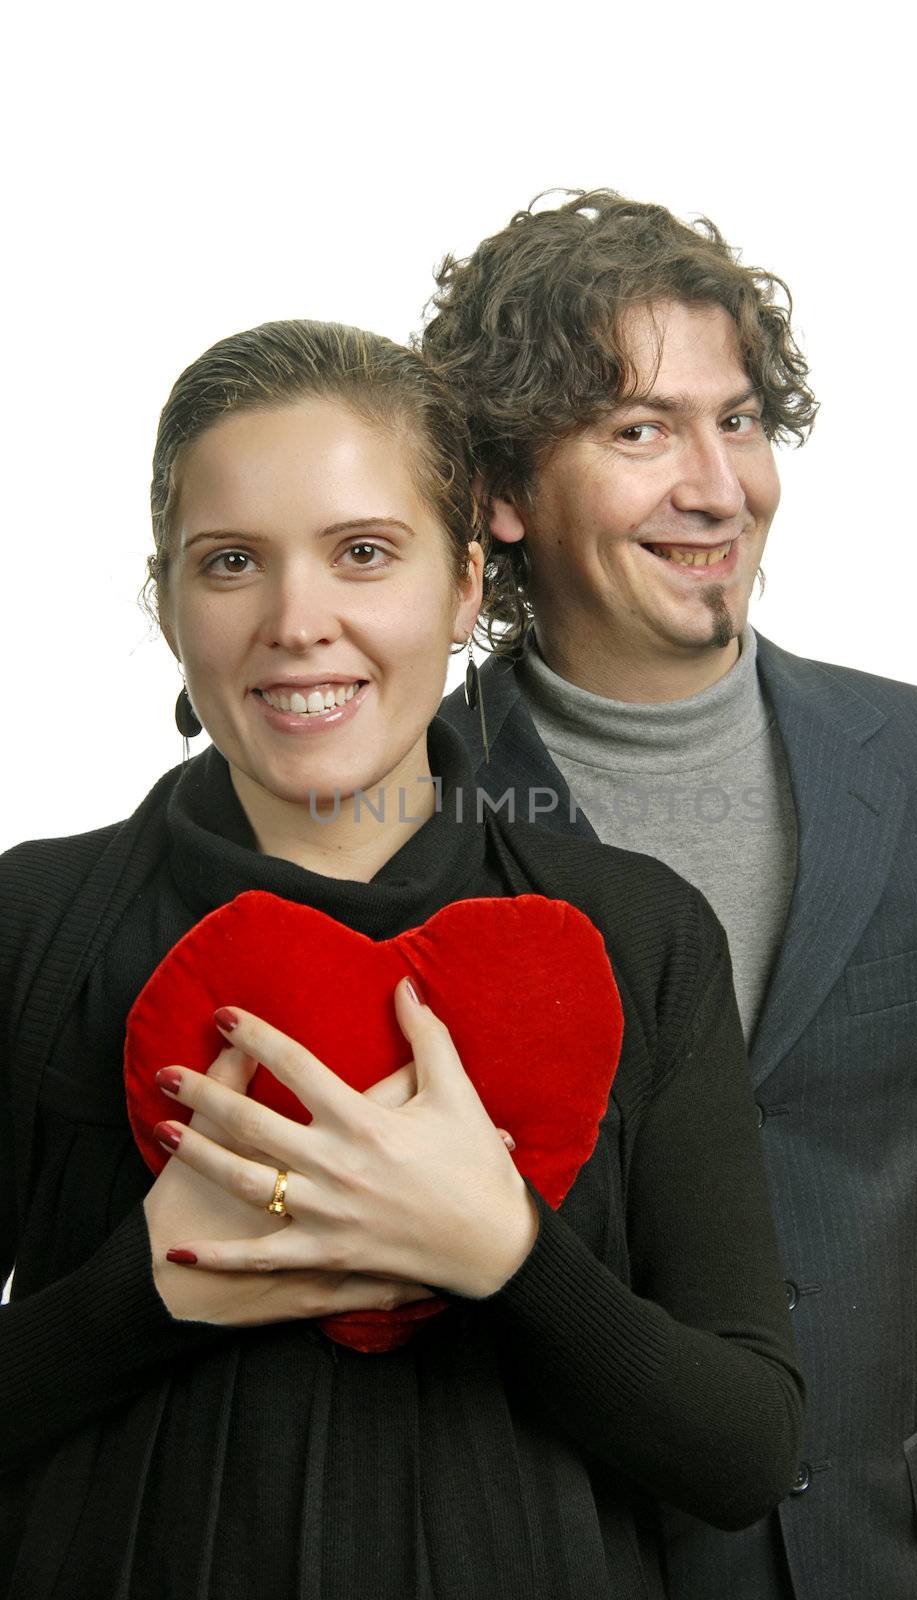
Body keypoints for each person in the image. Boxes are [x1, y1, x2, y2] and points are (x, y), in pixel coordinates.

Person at [0, 320, 804, 1599]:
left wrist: (504, 1254)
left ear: (467, 587)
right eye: (230, 563)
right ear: (164, 602)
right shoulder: (32, 924)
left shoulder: (637, 934)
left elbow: (747, 1450)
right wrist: (140, 1295)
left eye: (363, 554)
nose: (295, 621)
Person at [426, 192, 917, 1600]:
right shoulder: (412, 812)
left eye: (736, 420)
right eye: (638, 430)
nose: (715, 486)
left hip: (896, 1564)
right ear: (501, 492)